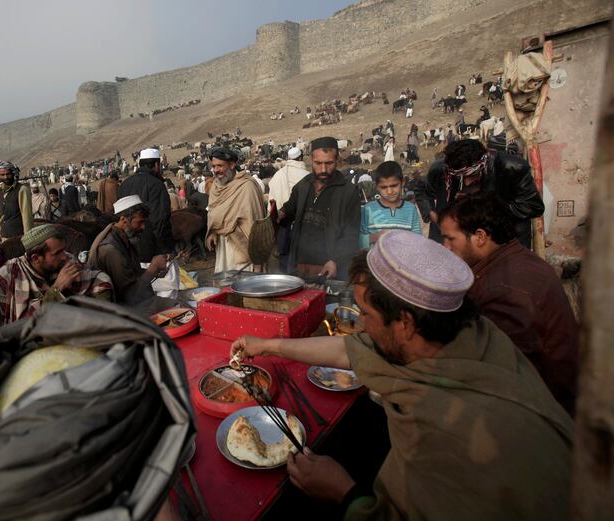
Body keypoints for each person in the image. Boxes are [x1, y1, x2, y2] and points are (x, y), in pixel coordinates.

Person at [231, 231, 573, 520]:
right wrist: (267, 345)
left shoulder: (446, 434)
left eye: (366, 314)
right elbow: (350, 350)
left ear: (405, 323)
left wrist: (343, 492)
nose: (361, 325)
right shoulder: (465, 332)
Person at [438, 193, 578, 414]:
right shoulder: (516, 259)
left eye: (450, 239)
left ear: (480, 236)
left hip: (542, 414)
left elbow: (503, 370)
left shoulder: (503, 289)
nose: (444, 247)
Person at [414, 138, 544, 247]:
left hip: (503, 241)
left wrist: (486, 204)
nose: (467, 182)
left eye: (473, 175)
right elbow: (421, 188)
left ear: (484, 164)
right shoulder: (442, 169)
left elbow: (533, 206)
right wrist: (432, 213)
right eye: (460, 177)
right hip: (455, 242)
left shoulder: (511, 168)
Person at [279, 137, 361, 280]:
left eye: (328, 163)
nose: (323, 169)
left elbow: (351, 234)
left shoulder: (349, 192)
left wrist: (335, 260)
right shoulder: (303, 185)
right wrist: (280, 213)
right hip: (299, 265)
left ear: (337, 161)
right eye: (318, 163)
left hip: (329, 268)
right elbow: (289, 210)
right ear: (311, 159)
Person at [0, 224, 112, 324]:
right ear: (36, 258)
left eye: (63, 250)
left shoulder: (66, 260)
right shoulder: (7, 276)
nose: (64, 256)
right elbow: (20, 324)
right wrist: (57, 288)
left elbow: (98, 277)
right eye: (57, 253)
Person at [88, 195, 173, 311]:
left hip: (133, 302)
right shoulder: (110, 250)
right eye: (139, 222)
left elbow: (130, 275)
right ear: (124, 220)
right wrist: (153, 268)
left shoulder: (122, 237)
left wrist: (156, 271)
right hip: (121, 309)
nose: (143, 227)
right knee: (176, 307)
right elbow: (131, 296)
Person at [205, 147, 265, 273]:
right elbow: (214, 213)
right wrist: (213, 231)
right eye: (214, 166)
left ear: (232, 165)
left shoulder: (247, 186)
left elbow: (252, 220)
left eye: (220, 166)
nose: (216, 170)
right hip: (223, 246)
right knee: (225, 282)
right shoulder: (216, 186)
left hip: (242, 246)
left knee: (245, 284)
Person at [117, 148, 175, 261]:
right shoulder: (157, 185)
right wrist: (163, 250)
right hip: (154, 252)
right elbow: (160, 220)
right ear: (157, 165)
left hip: (128, 250)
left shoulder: (124, 184)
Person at [359, 161, 422, 249]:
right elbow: (358, 241)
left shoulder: (411, 209)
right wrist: (375, 237)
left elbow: (418, 240)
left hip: (402, 261)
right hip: (374, 261)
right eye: (384, 187)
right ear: (376, 186)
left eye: (394, 185)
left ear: (403, 182)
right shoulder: (368, 209)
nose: (389, 191)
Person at [268, 147, 309, 273]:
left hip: (282, 224)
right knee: (302, 259)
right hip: (303, 226)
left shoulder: (277, 175)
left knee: (284, 258)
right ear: (301, 158)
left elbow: (272, 203)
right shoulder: (307, 176)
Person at [0, 161, 33, 241]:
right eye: (2, 175)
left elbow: (26, 215)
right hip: (5, 236)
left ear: (13, 173)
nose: (6, 177)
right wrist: (0, 232)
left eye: (8, 174)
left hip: (19, 236)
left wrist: (28, 236)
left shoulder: (22, 190)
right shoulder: (0, 191)